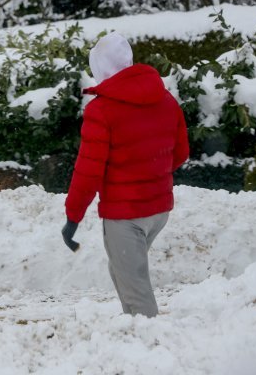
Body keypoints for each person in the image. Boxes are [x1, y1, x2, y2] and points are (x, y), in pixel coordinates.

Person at [61, 32, 189, 318]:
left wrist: (73, 217)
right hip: (158, 211)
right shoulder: (166, 100)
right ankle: (134, 333)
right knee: (122, 270)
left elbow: (88, 171)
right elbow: (180, 152)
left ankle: (151, 345)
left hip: (125, 216)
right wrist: (149, 174)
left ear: (101, 70)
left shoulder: (101, 110)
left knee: (137, 291)